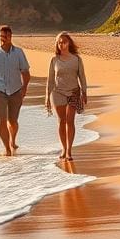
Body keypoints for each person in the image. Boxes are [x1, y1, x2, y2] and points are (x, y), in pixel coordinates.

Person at [0, 25, 30, 156]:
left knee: (13, 121)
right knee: (2, 120)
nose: (3, 39)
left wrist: (24, 89)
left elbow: (25, 72)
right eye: (0, 36)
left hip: (16, 90)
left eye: (5, 36)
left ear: (10, 36)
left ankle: (12, 141)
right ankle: (7, 149)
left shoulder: (19, 53)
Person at [44, 32, 87, 161]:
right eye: (60, 42)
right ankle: (63, 148)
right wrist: (47, 97)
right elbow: (50, 80)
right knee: (61, 121)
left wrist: (84, 92)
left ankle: (69, 151)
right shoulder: (54, 60)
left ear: (69, 43)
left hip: (73, 91)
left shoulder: (77, 59)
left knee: (70, 121)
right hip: (57, 93)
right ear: (57, 44)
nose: (62, 44)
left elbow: (82, 77)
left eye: (64, 42)